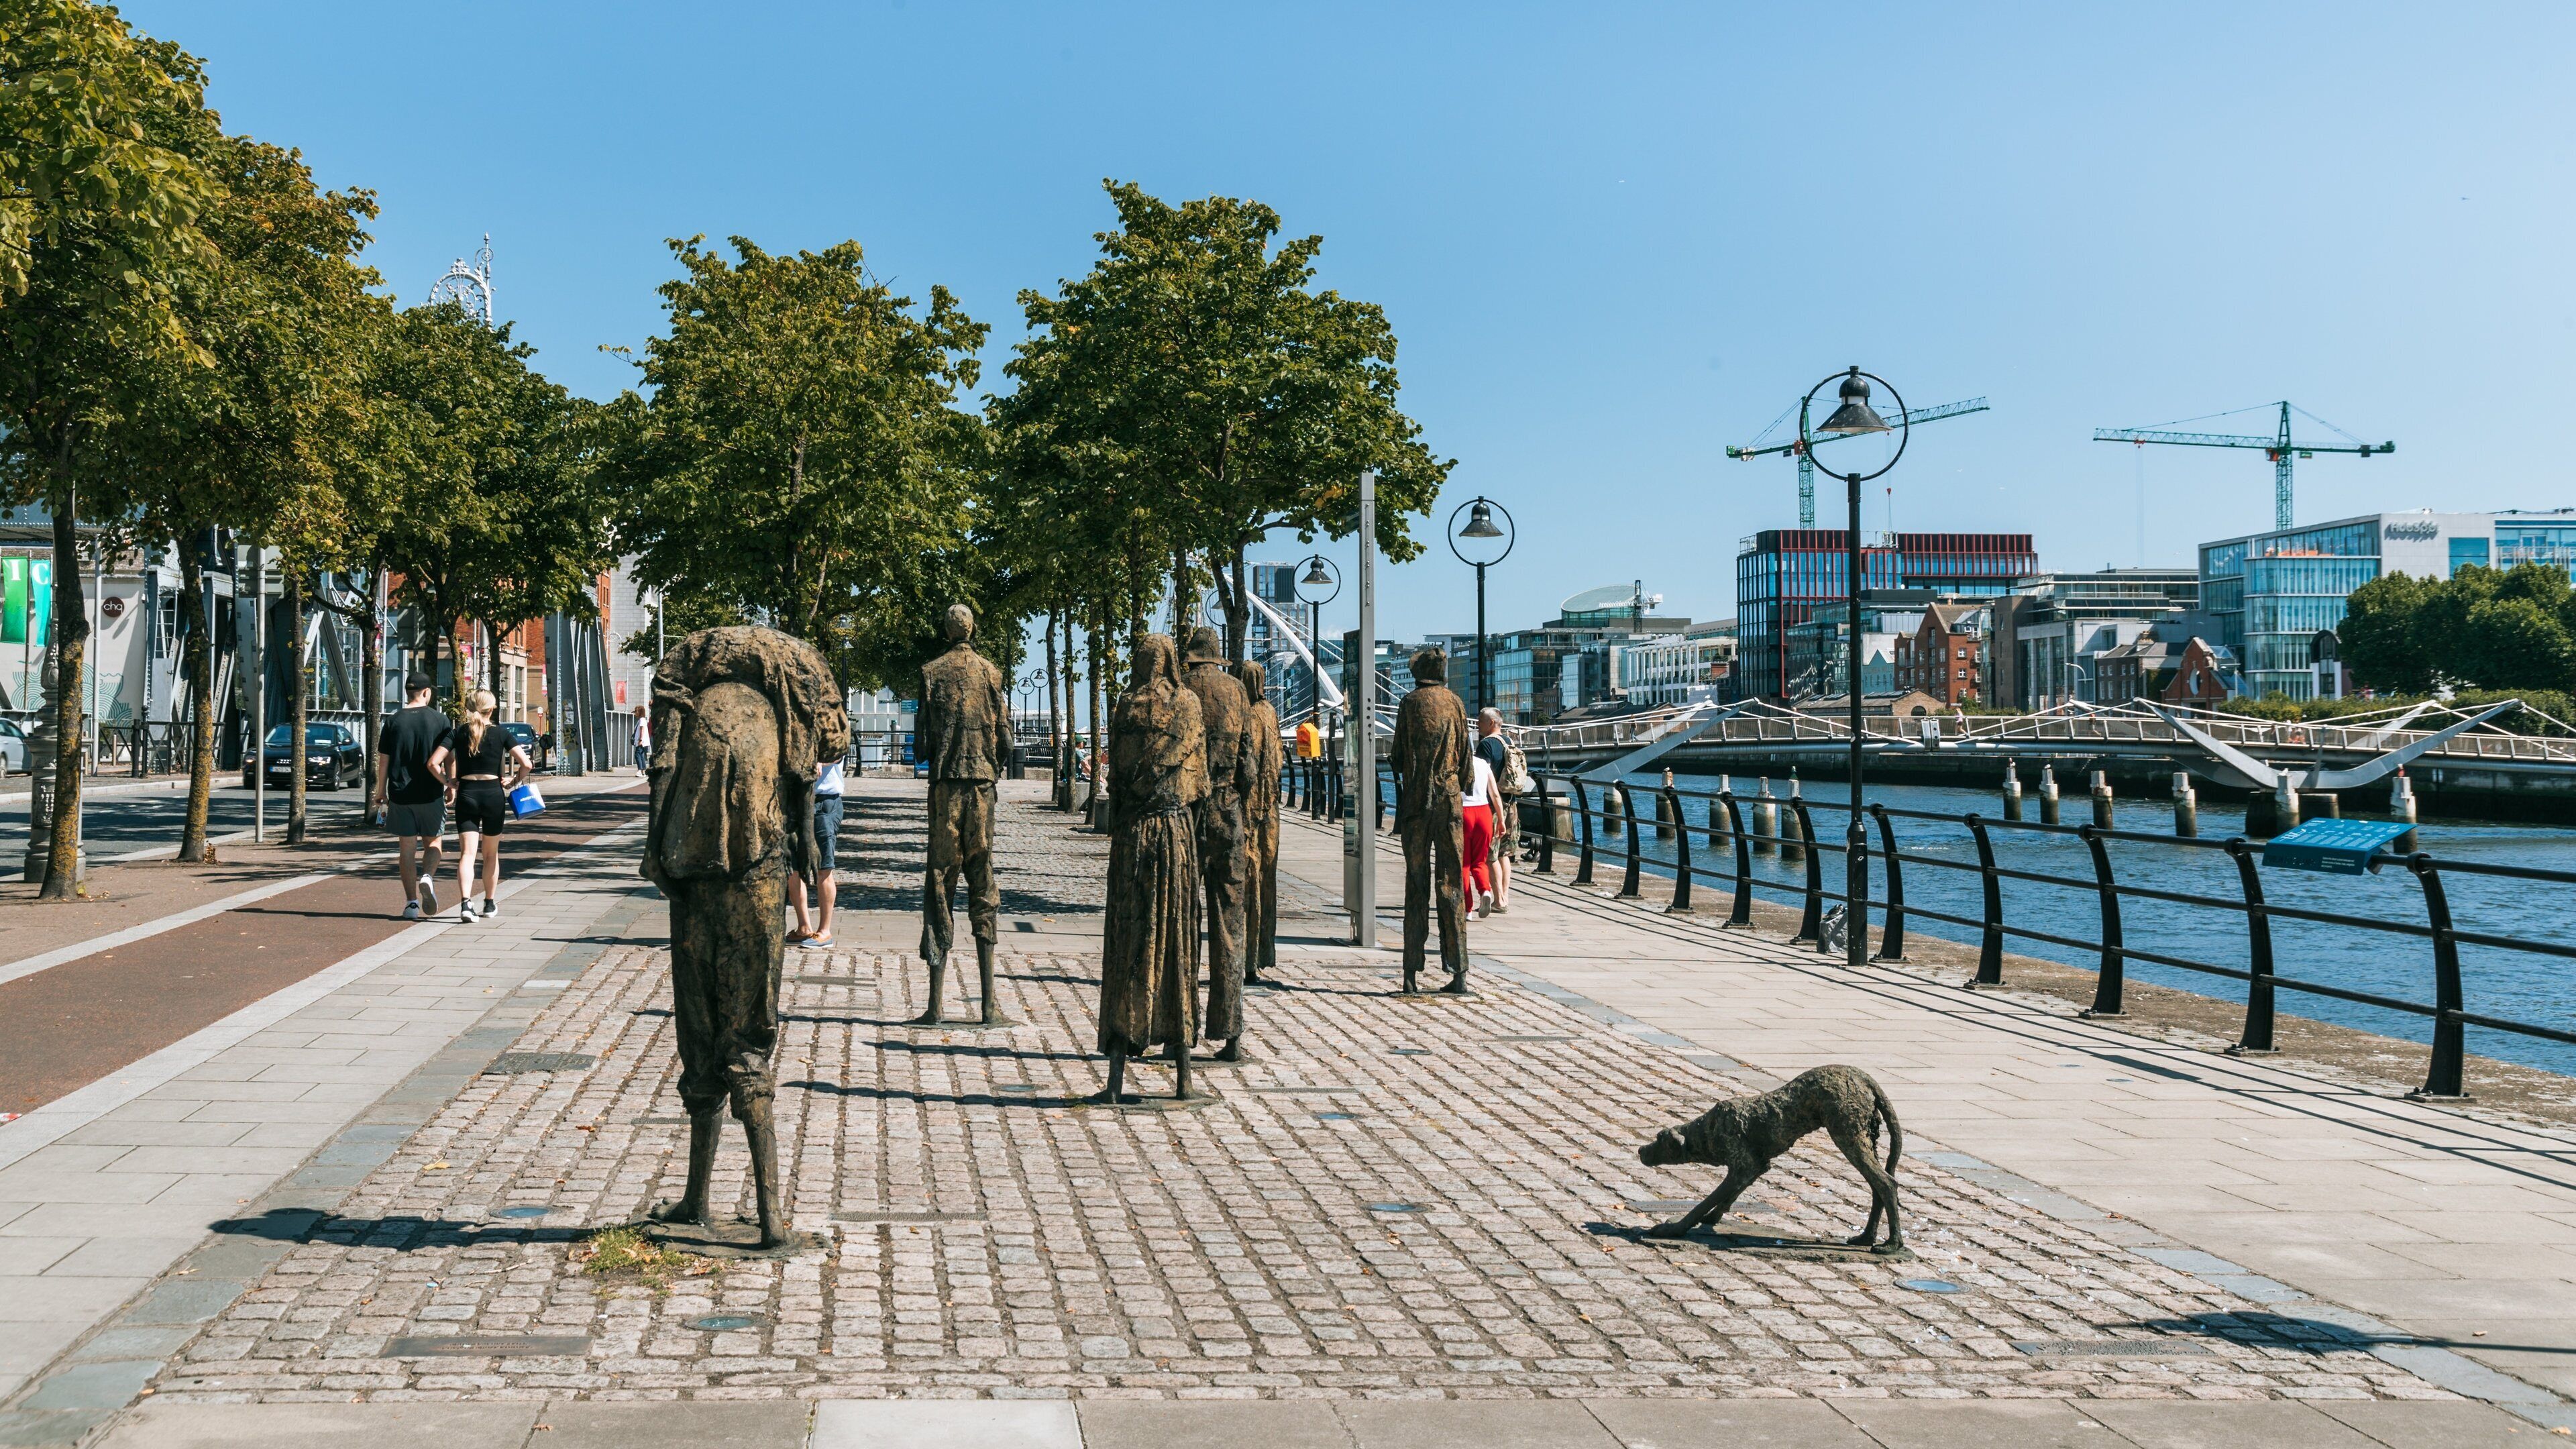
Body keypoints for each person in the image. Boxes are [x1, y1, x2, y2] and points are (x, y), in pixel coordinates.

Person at [1095, 634, 1205, 1104]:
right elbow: (1198, 782)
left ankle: (1117, 1075)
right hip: (1173, 833)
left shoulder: (1124, 706)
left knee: (1127, 945)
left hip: (1131, 839)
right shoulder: (1187, 704)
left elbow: (1114, 780)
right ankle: (1182, 1076)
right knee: (1177, 942)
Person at [1389, 647, 1474, 993]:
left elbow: (1396, 757)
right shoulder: (1455, 703)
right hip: (1450, 801)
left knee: (1416, 884)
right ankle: (1459, 972)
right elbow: (1467, 756)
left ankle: (1410, 972)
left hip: (1416, 804)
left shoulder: (1409, 704)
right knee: (1451, 882)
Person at [432, 689, 535, 922]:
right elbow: (526, 763)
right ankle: (489, 903)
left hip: (467, 794)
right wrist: (514, 780)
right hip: (493, 795)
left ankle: (466, 904)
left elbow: (433, 763)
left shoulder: (458, 733)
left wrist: (448, 782)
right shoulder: (501, 733)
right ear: (492, 708)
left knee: (467, 854)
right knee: (491, 854)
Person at [375, 672, 449, 920]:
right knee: (434, 843)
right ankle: (427, 876)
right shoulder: (440, 720)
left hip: (400, 794)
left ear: (408, 693)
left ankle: (411, 904)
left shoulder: (393, 721)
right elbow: (449, 756)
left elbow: (383, 761)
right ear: (427, 692)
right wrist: (450, 784)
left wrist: (380, 790)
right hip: (431, 793)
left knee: (406, 849)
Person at [788, 748, 844, 949]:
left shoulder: (830, 720)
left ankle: (825, 931)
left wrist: (819, 761)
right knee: (793, 868)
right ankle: (804, 927)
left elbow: (838, 750)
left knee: (824, 867)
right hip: (795, 801)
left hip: (823, 801)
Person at [1477, 708, 1514, 914]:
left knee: (1490, 854)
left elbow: (1484, 778)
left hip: (1492, 805)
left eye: (1480, 722)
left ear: (1491, 723)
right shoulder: (1509, 742)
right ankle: (1504, 897)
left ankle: (1499, 900)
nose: (1477, 725)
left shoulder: (1486, 745)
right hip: (1511, 803)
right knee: (1504, 853)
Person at [1460, 743, 1497, 918]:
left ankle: (1467, 910)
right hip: (1484, 812)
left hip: (1464, 811)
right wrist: (1502, 821)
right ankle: (1485, 891)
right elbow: (1495, 793)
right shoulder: (1483, 764)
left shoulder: (1456, 764)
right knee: (1480, 861)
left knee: (1463, 864)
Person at [631, 706, 651, 773]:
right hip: (643, 741)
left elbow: (642, 730)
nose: (635, 713)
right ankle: (644, 770)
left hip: (641, 741)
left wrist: (640, 740)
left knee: (637, 755)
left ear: (639, 712)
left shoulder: (642, 720)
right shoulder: (642, 720)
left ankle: (640, 770)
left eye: (636, 712)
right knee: (642, 755)